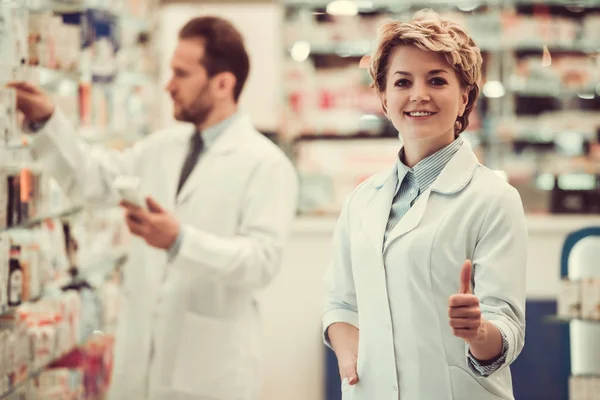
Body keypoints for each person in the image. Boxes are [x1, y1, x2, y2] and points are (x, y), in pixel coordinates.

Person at [9, 16, 298, 400]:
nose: (168, 85)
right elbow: (92, 181)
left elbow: (261, 262)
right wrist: (47, 119)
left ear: (223, 83)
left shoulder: (266, 164)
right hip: (139, 364)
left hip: (210, 373)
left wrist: (180, 241)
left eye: (181, 74)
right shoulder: (162, 148)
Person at [323, 10, 527, 400]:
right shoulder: (362, 200)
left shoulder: (494, 199)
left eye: (437, 80)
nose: (419, 94)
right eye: (402, 82)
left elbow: (507, 328)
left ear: (465, 96)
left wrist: (478, 330)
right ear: (383, 99)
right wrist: (349, 355)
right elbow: (340, 300)